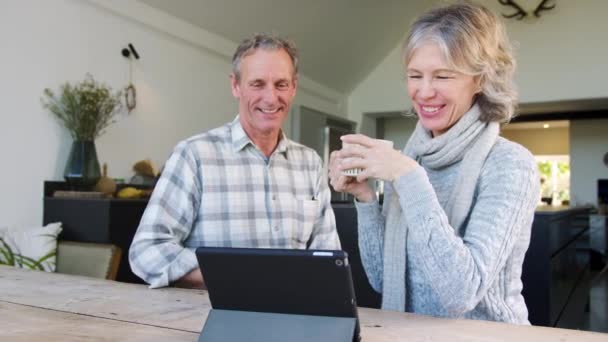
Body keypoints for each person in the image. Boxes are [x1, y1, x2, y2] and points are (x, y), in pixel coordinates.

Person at [329, 2, 539, 324]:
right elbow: (383, 279)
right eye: (415, 75)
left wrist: (409, 178)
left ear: (480, 79)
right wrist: (366, 199)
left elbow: (461, 294)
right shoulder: (412, 159)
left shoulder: (510, 164)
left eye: (443, 75)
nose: (424, 92)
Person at [130, 33, 341, 289]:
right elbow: (147, 251)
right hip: (210, 321)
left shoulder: (310, 163)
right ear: (236, 86)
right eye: (258, 84)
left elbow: (328, 261)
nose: (271, 97)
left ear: (294, 88)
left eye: (281, 84)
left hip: (292, 319)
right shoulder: (194, 155)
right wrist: (235, 276)